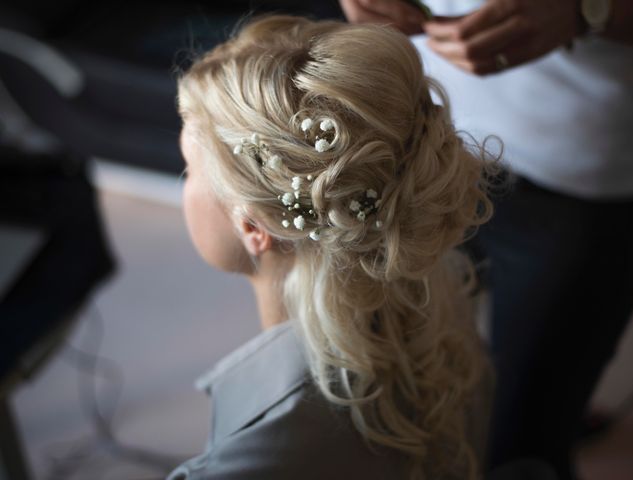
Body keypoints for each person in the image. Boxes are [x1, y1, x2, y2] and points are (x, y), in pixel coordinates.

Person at [167, 14, 502, 480]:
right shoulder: (446, 299)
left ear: (252, 228)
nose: (185, 183)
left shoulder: (247, 463)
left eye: (189, 167)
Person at [338, 0, 633, 478]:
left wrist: (588, 11)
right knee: (387, 401)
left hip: (581, 169)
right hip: (425, 133)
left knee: (524, 441)